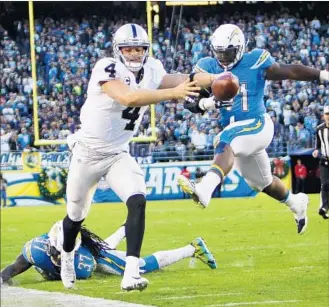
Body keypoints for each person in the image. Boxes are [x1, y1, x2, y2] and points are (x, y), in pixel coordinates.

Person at [60, 23, 227, 291]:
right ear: (118, 49)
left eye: (140, 48)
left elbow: (182, 80)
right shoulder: (107, 67)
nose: (135, 53)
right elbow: (127, 97)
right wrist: (173, 93)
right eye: (129, 48)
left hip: (117, 153)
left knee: (138, 200)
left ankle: (131, 273)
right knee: (75, 216)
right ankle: (67, 255)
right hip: (88, 152)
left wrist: (216, 80)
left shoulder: (152, 68)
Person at [179, 24, 329, 234]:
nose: (222, 57)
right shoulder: (208, 67)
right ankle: (296, 204)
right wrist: (206, 104)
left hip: (258, 125)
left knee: (225, 138)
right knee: (261, 182)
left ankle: (205, 187)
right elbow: (189, 99)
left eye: (227, 52)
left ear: (239, 48)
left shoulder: (255, 60)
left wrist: (322, 74)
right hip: (239, 134)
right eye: (219, 52)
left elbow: (291, 70)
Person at [0, 221, 217, 285]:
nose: (60, 257)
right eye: (58, 252)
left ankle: (192, 248)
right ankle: (125, 227)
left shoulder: (82, 262)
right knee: (105, 246)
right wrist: (2, 277)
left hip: (97, 258)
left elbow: (97, 259)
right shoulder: (36, 249)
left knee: (139, 266)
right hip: (94, 250)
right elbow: (17, 266)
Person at [313, 105, 329, 219]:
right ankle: (324, 207)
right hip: (324, 160)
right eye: (327, 114)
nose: (328, 116)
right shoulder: (319, 129)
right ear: (324, 115)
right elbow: (318, 145)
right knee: (324, 184)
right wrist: (316, 151)